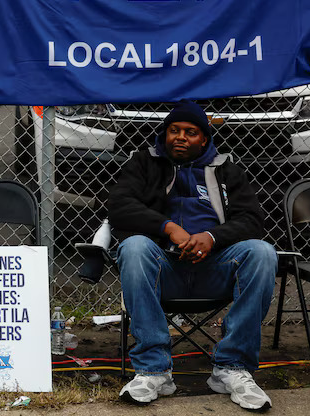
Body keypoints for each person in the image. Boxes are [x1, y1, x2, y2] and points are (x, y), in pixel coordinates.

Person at [107, 101, 277, 412]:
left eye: (190, 132)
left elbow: (253, 220)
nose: (180, 137)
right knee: (133, 247)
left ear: (204, 139)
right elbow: (119, 208)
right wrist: (168, 227)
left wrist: (212, 238)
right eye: (174, 131)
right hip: (164, 267)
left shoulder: (226, 169)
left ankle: (231, 368)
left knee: (262, 252)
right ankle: (154, 371)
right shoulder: (144, 163)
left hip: (214, 268)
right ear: (165, 134)